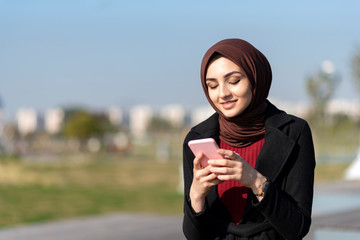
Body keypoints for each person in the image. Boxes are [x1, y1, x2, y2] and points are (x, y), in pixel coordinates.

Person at [182, 38, 316, 240]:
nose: (223, 94)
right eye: (212, 85)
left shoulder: (294, 132)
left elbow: (297, 229)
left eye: (234, 81)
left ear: (255, 78)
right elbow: (194, 236)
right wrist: (197, 197)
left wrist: (255, 181)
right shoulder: (197, 139)